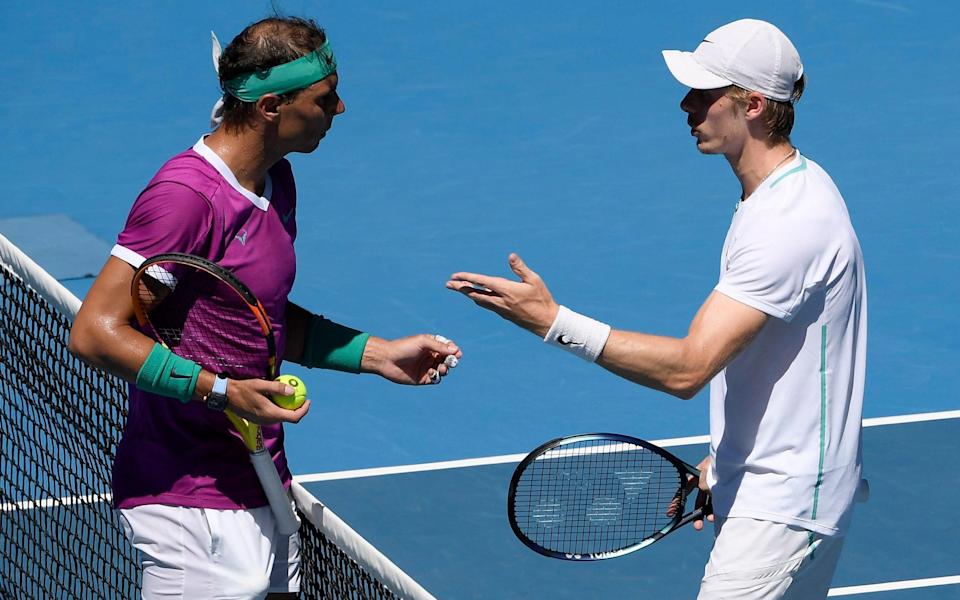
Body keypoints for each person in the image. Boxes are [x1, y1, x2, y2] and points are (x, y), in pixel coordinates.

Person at [447, 19, 866, 599]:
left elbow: (689, 368)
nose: (686, 104)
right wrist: (728, 456)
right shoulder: (779, 195)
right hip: (779, 492)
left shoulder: (788, 222)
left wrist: (553, 322)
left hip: (782, 510)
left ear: (754, 106)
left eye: (705, 93)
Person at [69, 16, 461, 600]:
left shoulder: (277, 182)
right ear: (273, 105)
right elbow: (96, 333)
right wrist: (222, 392)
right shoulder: (185, 198)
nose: (341, 109)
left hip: (257, 474)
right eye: (325, 99)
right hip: (187, 496)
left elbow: (254, 315)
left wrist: (375, 354)